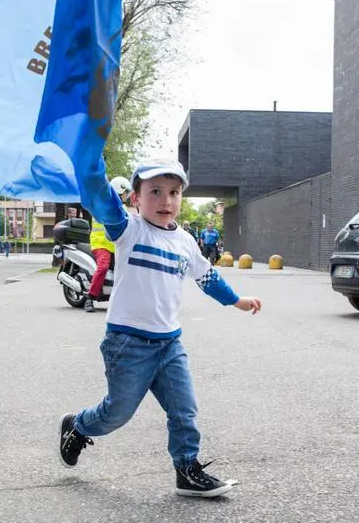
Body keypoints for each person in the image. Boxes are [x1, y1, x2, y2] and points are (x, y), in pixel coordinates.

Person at [58, 159, 262, 499]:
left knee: (184, 409)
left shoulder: (184, 241)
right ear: (135, 199)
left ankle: (187, 470)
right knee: (116, 414)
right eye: (155, 192)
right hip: (127, 345)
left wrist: (236, 300)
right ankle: (77, 426)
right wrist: (90, 158)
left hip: (169, 344)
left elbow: (206, 277)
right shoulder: (128, 229)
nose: (166, 201)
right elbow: (100, 197)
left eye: (174, 192)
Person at [85, 176, 132, 313]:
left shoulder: (121, 207)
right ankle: (90, 297)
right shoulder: (103, 204)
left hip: (115, 246)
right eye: (126, 192)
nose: (127, 195)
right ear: (119, 190)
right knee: (103, 266)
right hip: (101, 244)